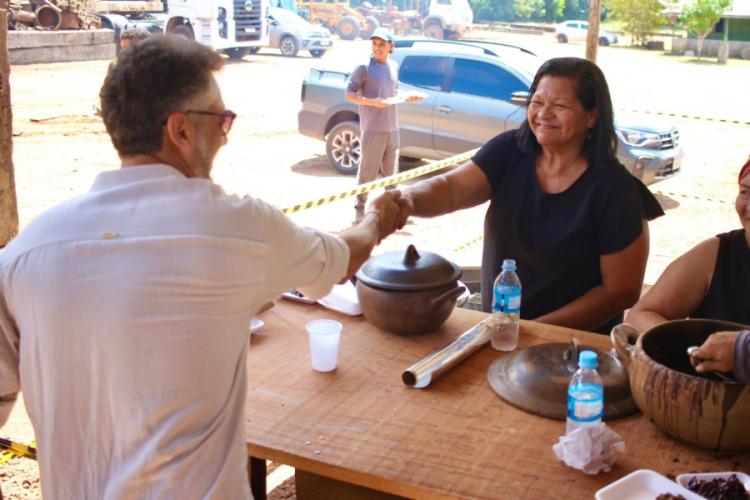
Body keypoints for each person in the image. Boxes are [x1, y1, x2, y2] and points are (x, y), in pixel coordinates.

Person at [0, 34, 401, 499]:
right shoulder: (234, 227)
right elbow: (341, 259)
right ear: (181, 130)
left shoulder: (25, 254)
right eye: (221, 119)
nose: (225, 135)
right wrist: (378, 218)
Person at [397, 57, 664, 334]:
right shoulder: (510, 152)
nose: (544, 114)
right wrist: (406, 200)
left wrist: (532, 331)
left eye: (559, 106)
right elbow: (452, 189)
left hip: (572, 351)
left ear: (592, 116)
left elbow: (620, 292)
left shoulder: (616, 191)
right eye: (537, 103)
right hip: (500, 333)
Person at [626, 158, 750, 382]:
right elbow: (639, 316)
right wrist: (695, 350)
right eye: (745, 192)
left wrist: (741, 351)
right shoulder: (717, 253)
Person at [345, 27, 421, 224]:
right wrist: (373, 102)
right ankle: (359, 212)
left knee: (391, 174)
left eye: (382, 44)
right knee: (367, 172)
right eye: (375, 43)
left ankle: (395, 211)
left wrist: (407, 97)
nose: (377, 47)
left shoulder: (393, 66)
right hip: (372, 129)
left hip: (392, 128)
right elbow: (349, 94)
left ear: (391, 47)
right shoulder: (364, 67)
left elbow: (393, 92)